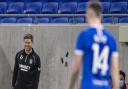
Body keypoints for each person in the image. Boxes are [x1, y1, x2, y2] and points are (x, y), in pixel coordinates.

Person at [67, 1, 119, 89]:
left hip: (88, 86)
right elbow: (115, 69)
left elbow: (76, 68)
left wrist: (69, 87)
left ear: (87, 16)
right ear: (101, 17)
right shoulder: (111, 39)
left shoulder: (83, 36)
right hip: (105, 86)